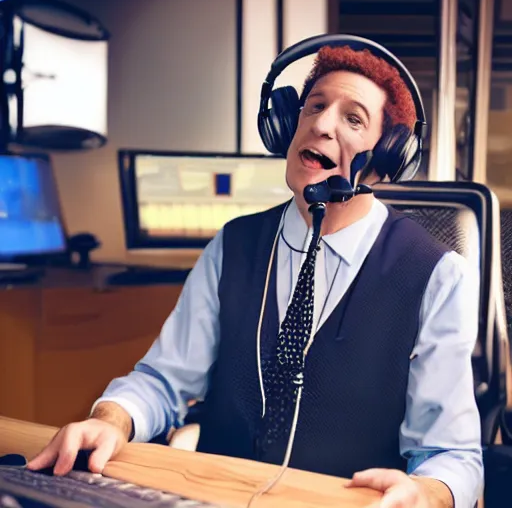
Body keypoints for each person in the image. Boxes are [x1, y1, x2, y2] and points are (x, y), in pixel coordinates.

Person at [28, 38, 483, 508]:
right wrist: (110, 419)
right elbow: (163, 381)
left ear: (388, 157)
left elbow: (451, 455)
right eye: (314, 106)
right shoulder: (233, 245)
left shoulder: (437, 276)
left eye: (353, 118)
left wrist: (426, 494)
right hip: (213, 498)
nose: (322, 125)